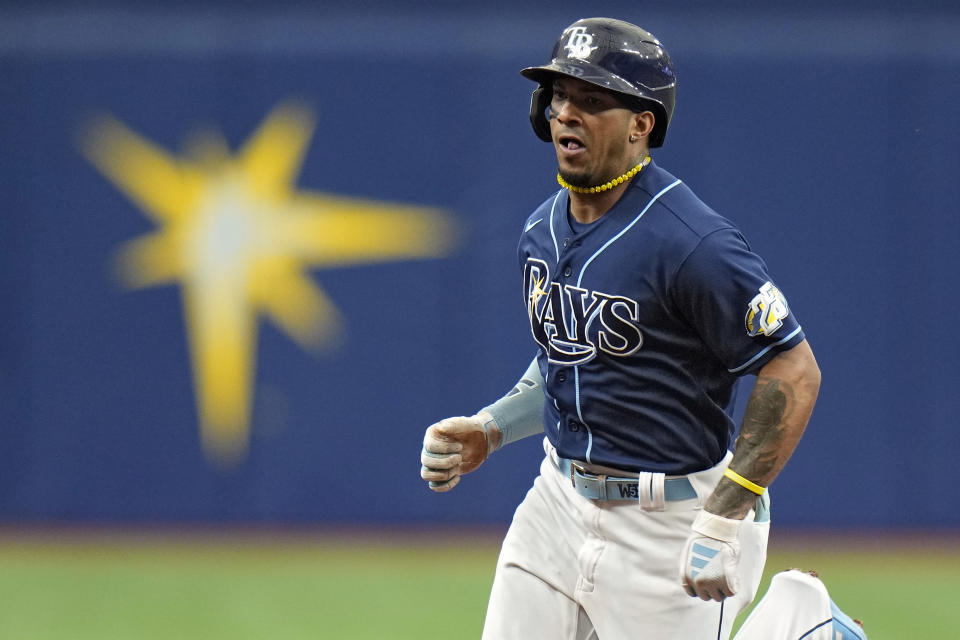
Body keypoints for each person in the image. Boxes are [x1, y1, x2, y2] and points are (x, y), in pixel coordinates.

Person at [420, 17, 821, 640]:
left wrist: (725, 514)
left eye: (594, 100)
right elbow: (567, 357)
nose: (566, 114)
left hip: (673, 520)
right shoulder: (542, 230)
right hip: (558, 501)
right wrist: (492, 428)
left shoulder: (693, 244)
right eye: (558, 97)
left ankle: (800, 625)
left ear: (643, 124)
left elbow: (793, 368)